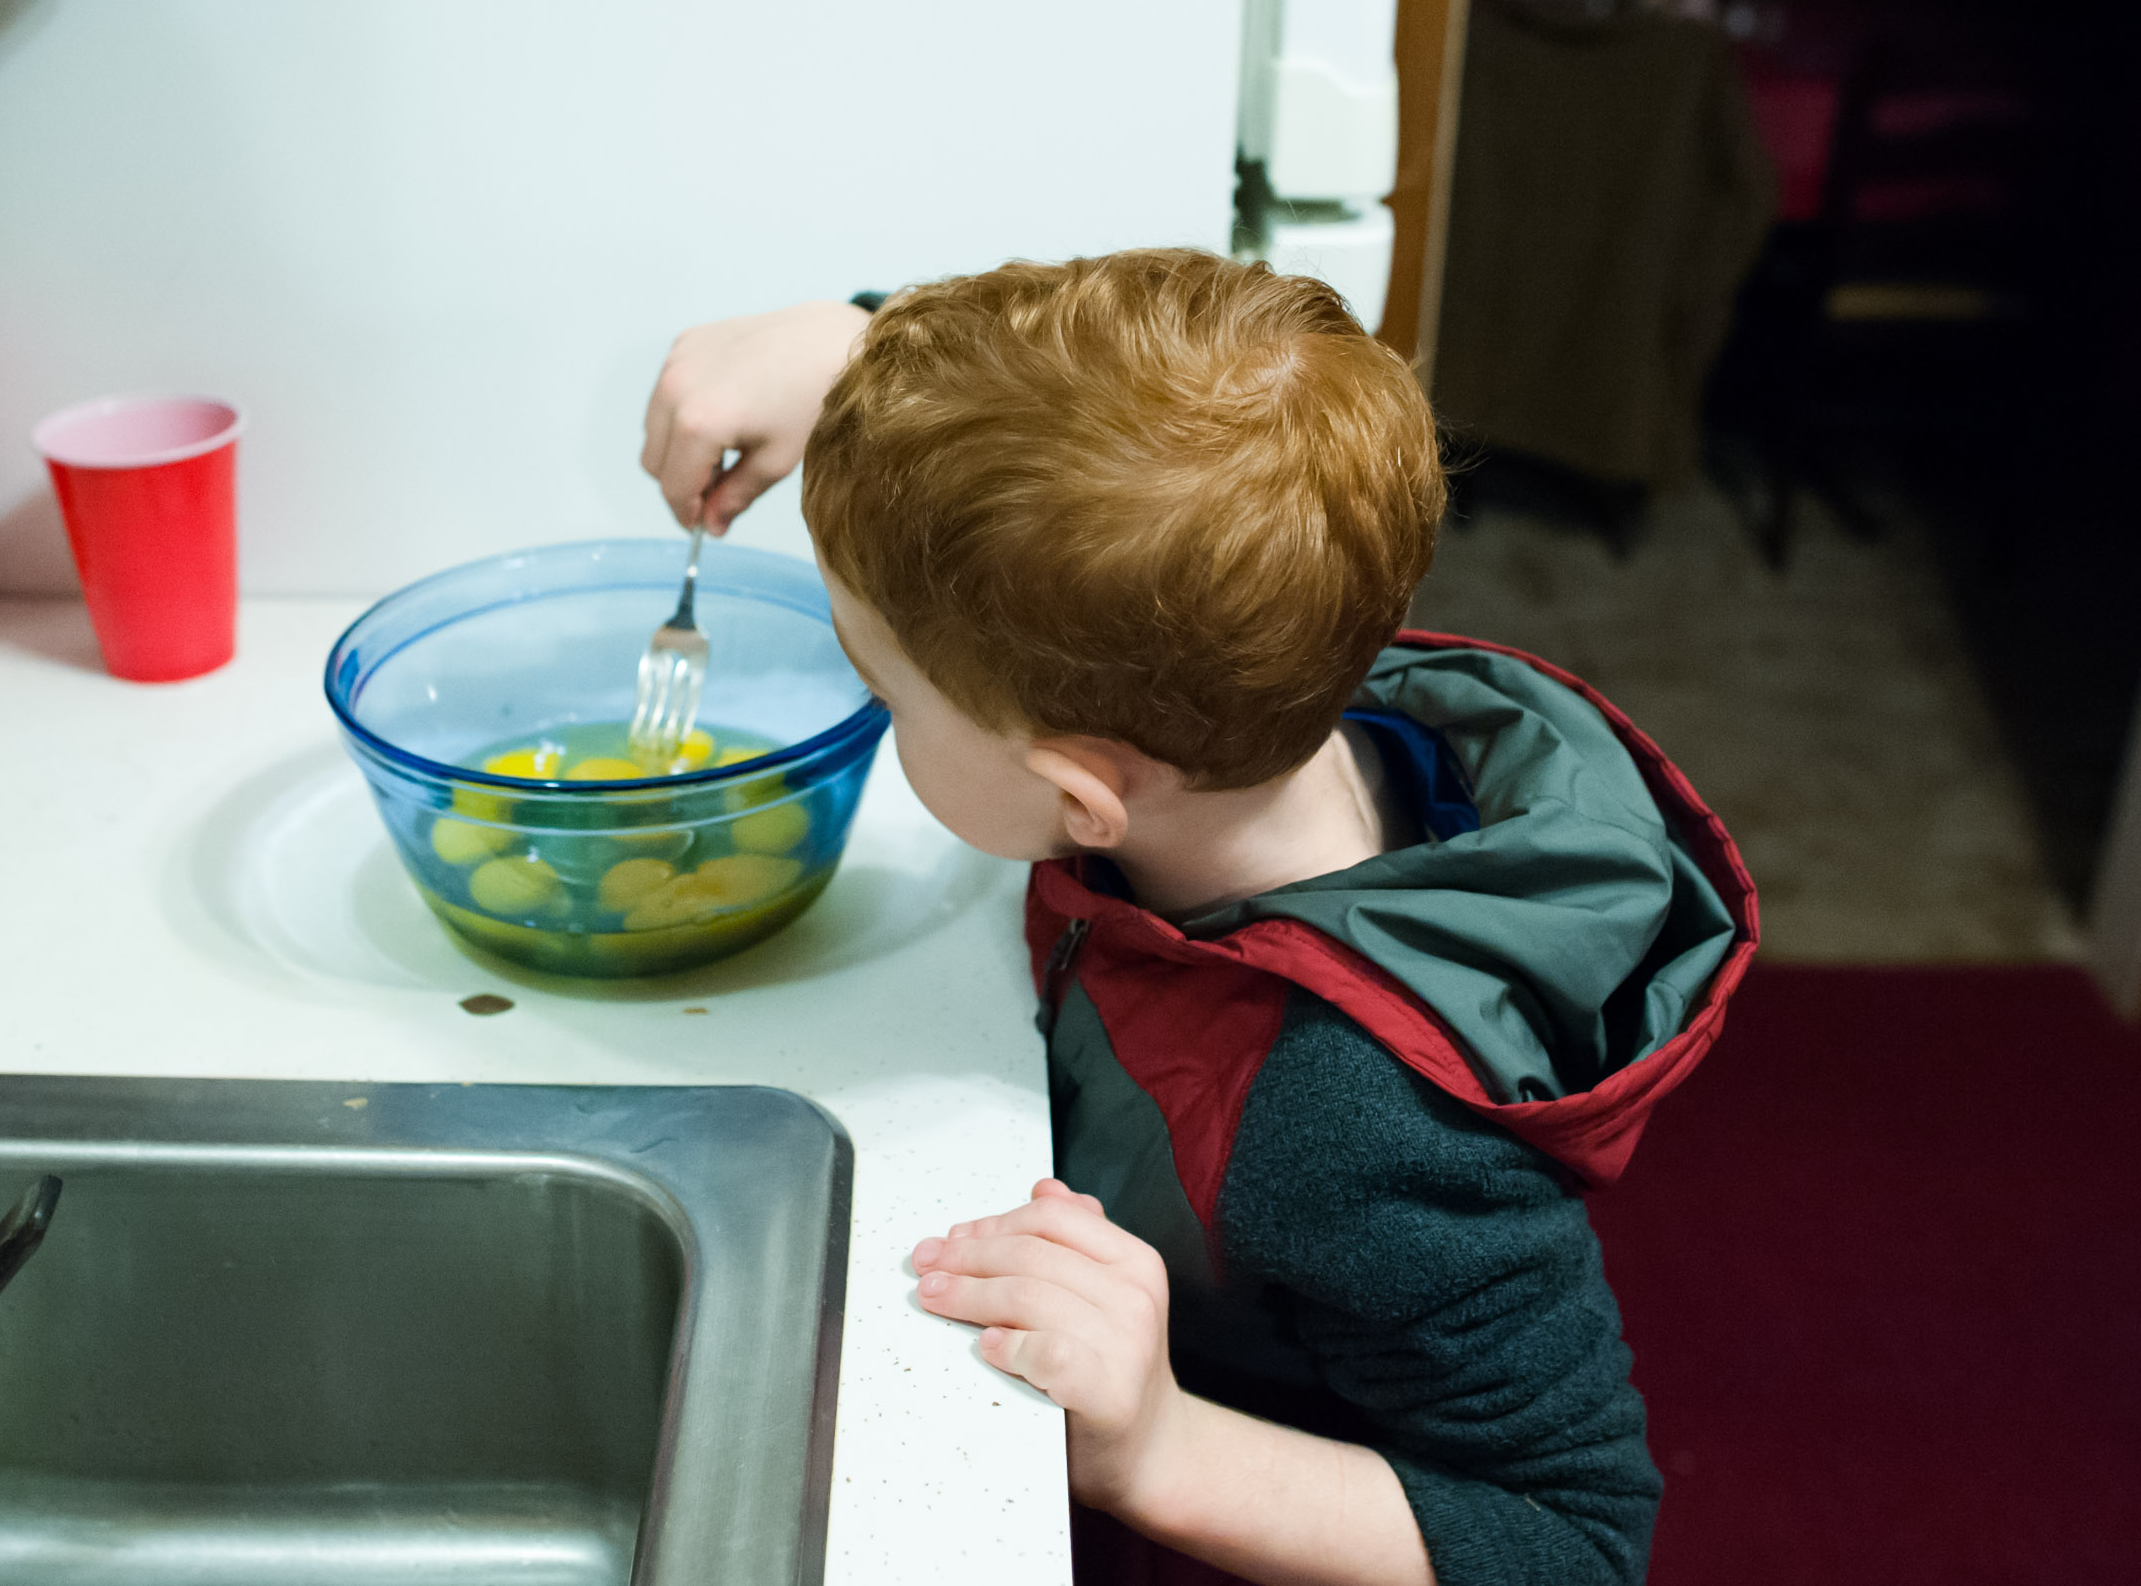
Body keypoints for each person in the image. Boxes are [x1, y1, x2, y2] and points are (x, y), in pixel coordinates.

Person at [640, 251, 1755, 1586]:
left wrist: (1158, 1449)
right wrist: (848, 342)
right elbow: (1132, 406)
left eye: (890, 694)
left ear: (1077, 795)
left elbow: (1573, 1539)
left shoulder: (1343, 1119)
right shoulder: (1249, 644)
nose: (878, 711)